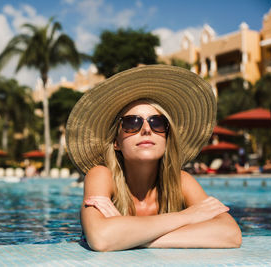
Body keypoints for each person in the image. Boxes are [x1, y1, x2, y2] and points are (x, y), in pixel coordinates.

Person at [65, 65, 242, 251]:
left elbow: (231, 234)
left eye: (157, 122)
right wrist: (187, 217)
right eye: (132, 123)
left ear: (166, 137)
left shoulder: (181, 181)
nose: (146, 129)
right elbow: (101, 238)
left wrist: (128, 237)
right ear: (116, 142)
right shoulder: (101, 175)